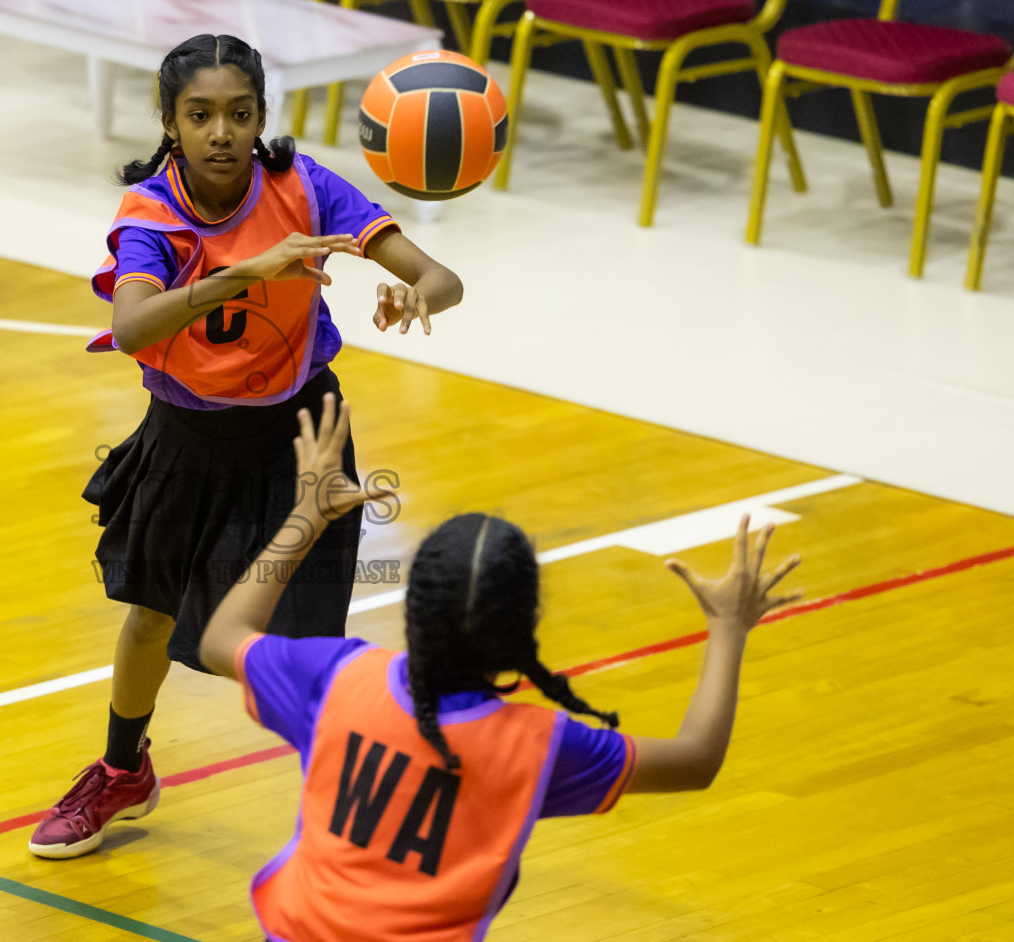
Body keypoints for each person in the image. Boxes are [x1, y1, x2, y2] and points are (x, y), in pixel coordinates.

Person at [29, 33, 464, 860]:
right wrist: (247, 271)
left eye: (239, 113)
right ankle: (123, 770)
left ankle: (346, 808)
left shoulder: (304, 187)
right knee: (149, 617)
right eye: (200, 115)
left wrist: (417, 293)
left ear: (262, 118)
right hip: (186, 437)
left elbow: (441, 276)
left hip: (300, 435)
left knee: (306, 648)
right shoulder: (151, 215)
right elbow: (130, 327)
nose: (221, 131)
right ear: (169, 124)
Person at [198, 396, 803, 941]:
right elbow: (696, 759)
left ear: (415, 608)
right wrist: (727, 629)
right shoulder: (537, 747)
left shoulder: (338, 678)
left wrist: (308, 514)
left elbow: (222, 639)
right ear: (524, 631)